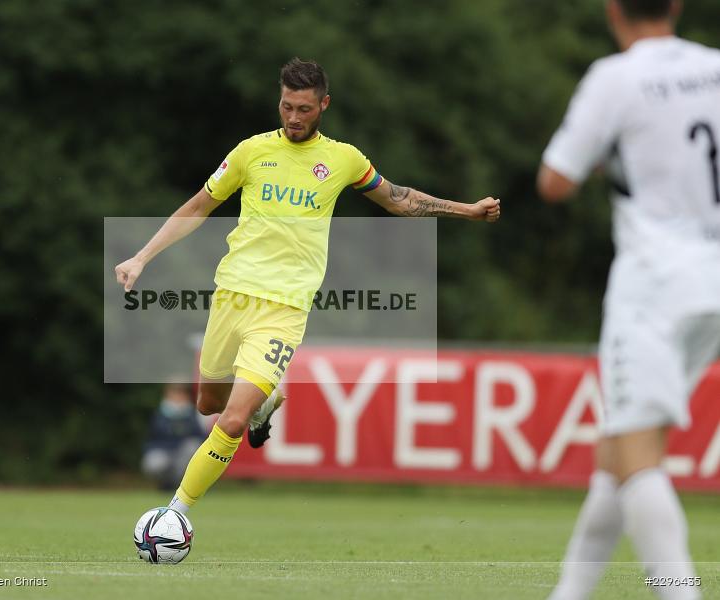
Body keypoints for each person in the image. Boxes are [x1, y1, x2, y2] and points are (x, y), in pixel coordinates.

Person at [116, 57, 501, 517]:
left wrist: (466, 210)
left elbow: (398, 199)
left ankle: (173, 513)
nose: (294, 117)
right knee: (209, 404)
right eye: (286, 106)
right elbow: (199, 206)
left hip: (285, 308)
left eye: (303, 108)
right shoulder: (251, 152)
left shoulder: (343, 159)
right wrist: (141, 256)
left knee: (232, 421)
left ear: (324, 105)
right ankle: (265, 404)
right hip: (232, 295)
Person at [538, 1, 720, 598]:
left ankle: (680, 593)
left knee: (638, 456)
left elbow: (555, 180)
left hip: (654, 285)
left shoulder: (616, 78)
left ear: (613, 9)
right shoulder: (715, 67)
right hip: (713, 278)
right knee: (616, 453)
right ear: (677, 5)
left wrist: (608, 152)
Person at [141, 382, 206, 491]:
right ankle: (166, 485)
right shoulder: (159, 414)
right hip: (163, 452)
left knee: (192, 448)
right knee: (154, 464)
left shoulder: (192, 414)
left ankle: (183, 487)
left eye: (181, 393)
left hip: (183, 454)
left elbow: (200, 437)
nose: (178, 396)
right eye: (175, 392)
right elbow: (151, 438)